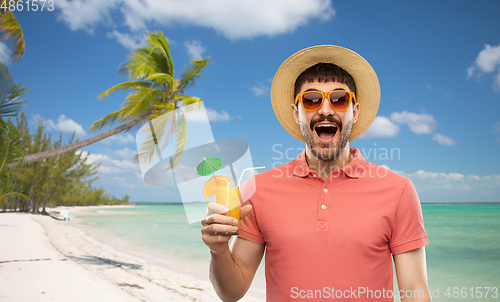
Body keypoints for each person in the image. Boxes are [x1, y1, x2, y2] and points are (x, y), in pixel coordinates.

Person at [201, 45, 431, 301]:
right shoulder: (258, 189)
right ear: (295, 112)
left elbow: (415, 291)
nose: (325, 110)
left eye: (339, 99)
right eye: (311, 100)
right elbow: (232, 292)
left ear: (354, 111)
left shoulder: (398, 191)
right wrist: (219, 250)